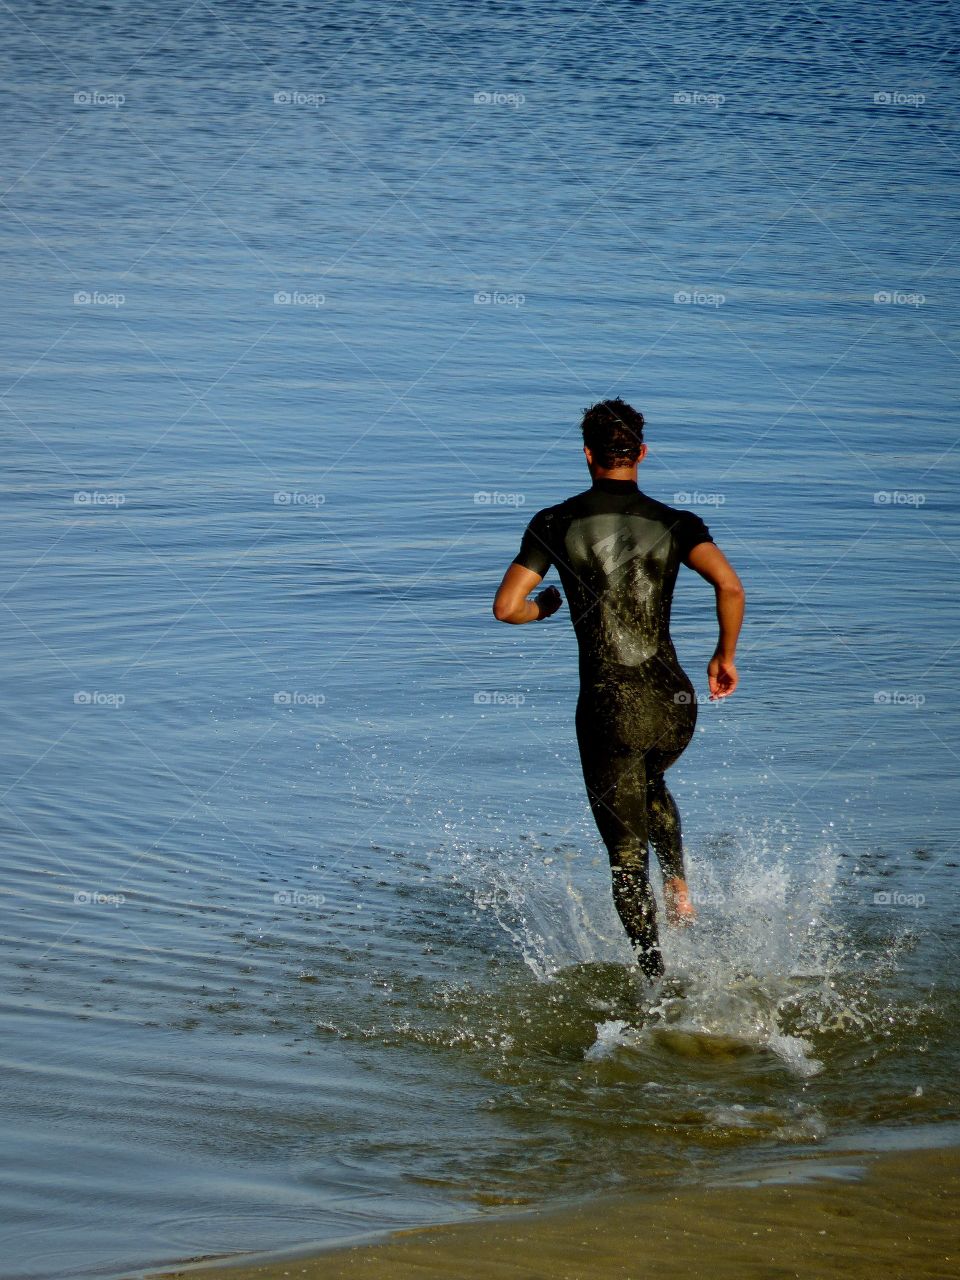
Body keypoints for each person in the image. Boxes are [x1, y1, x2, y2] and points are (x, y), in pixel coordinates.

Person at [492, 399, 745, 979]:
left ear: (587, 455)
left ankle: (656, 986)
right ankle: (680, 886)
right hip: (676, 703)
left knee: (626, 860)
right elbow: (730, 587)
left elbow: (507, 608)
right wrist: (723, 656)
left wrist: (546, 607)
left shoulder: (556, 522)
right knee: (650, 779)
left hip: (612, 707)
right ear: (642, 453)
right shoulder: (678, 522)